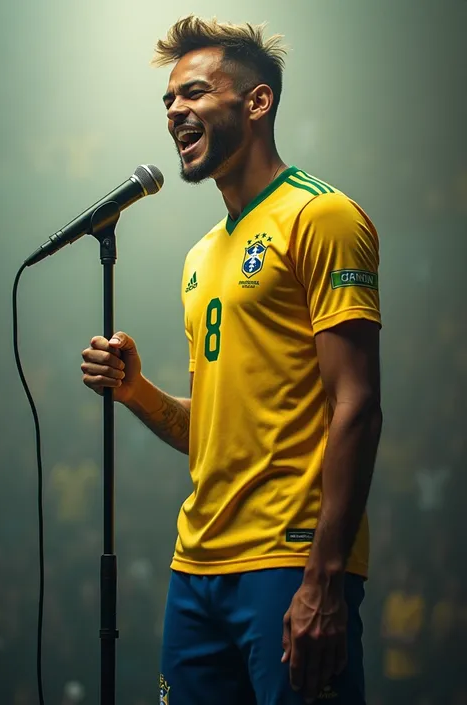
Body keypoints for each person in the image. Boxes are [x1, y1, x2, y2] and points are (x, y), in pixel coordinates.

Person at [81, 15, 383, 705]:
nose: (174, 112)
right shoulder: (200, 257)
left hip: (288, 560)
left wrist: (324, 578)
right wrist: (139, 393)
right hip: (197, 566)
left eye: (192, 93)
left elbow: (357, 403)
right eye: (167, 102)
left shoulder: (322, 216)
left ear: (256, 103)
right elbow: (208, 430)